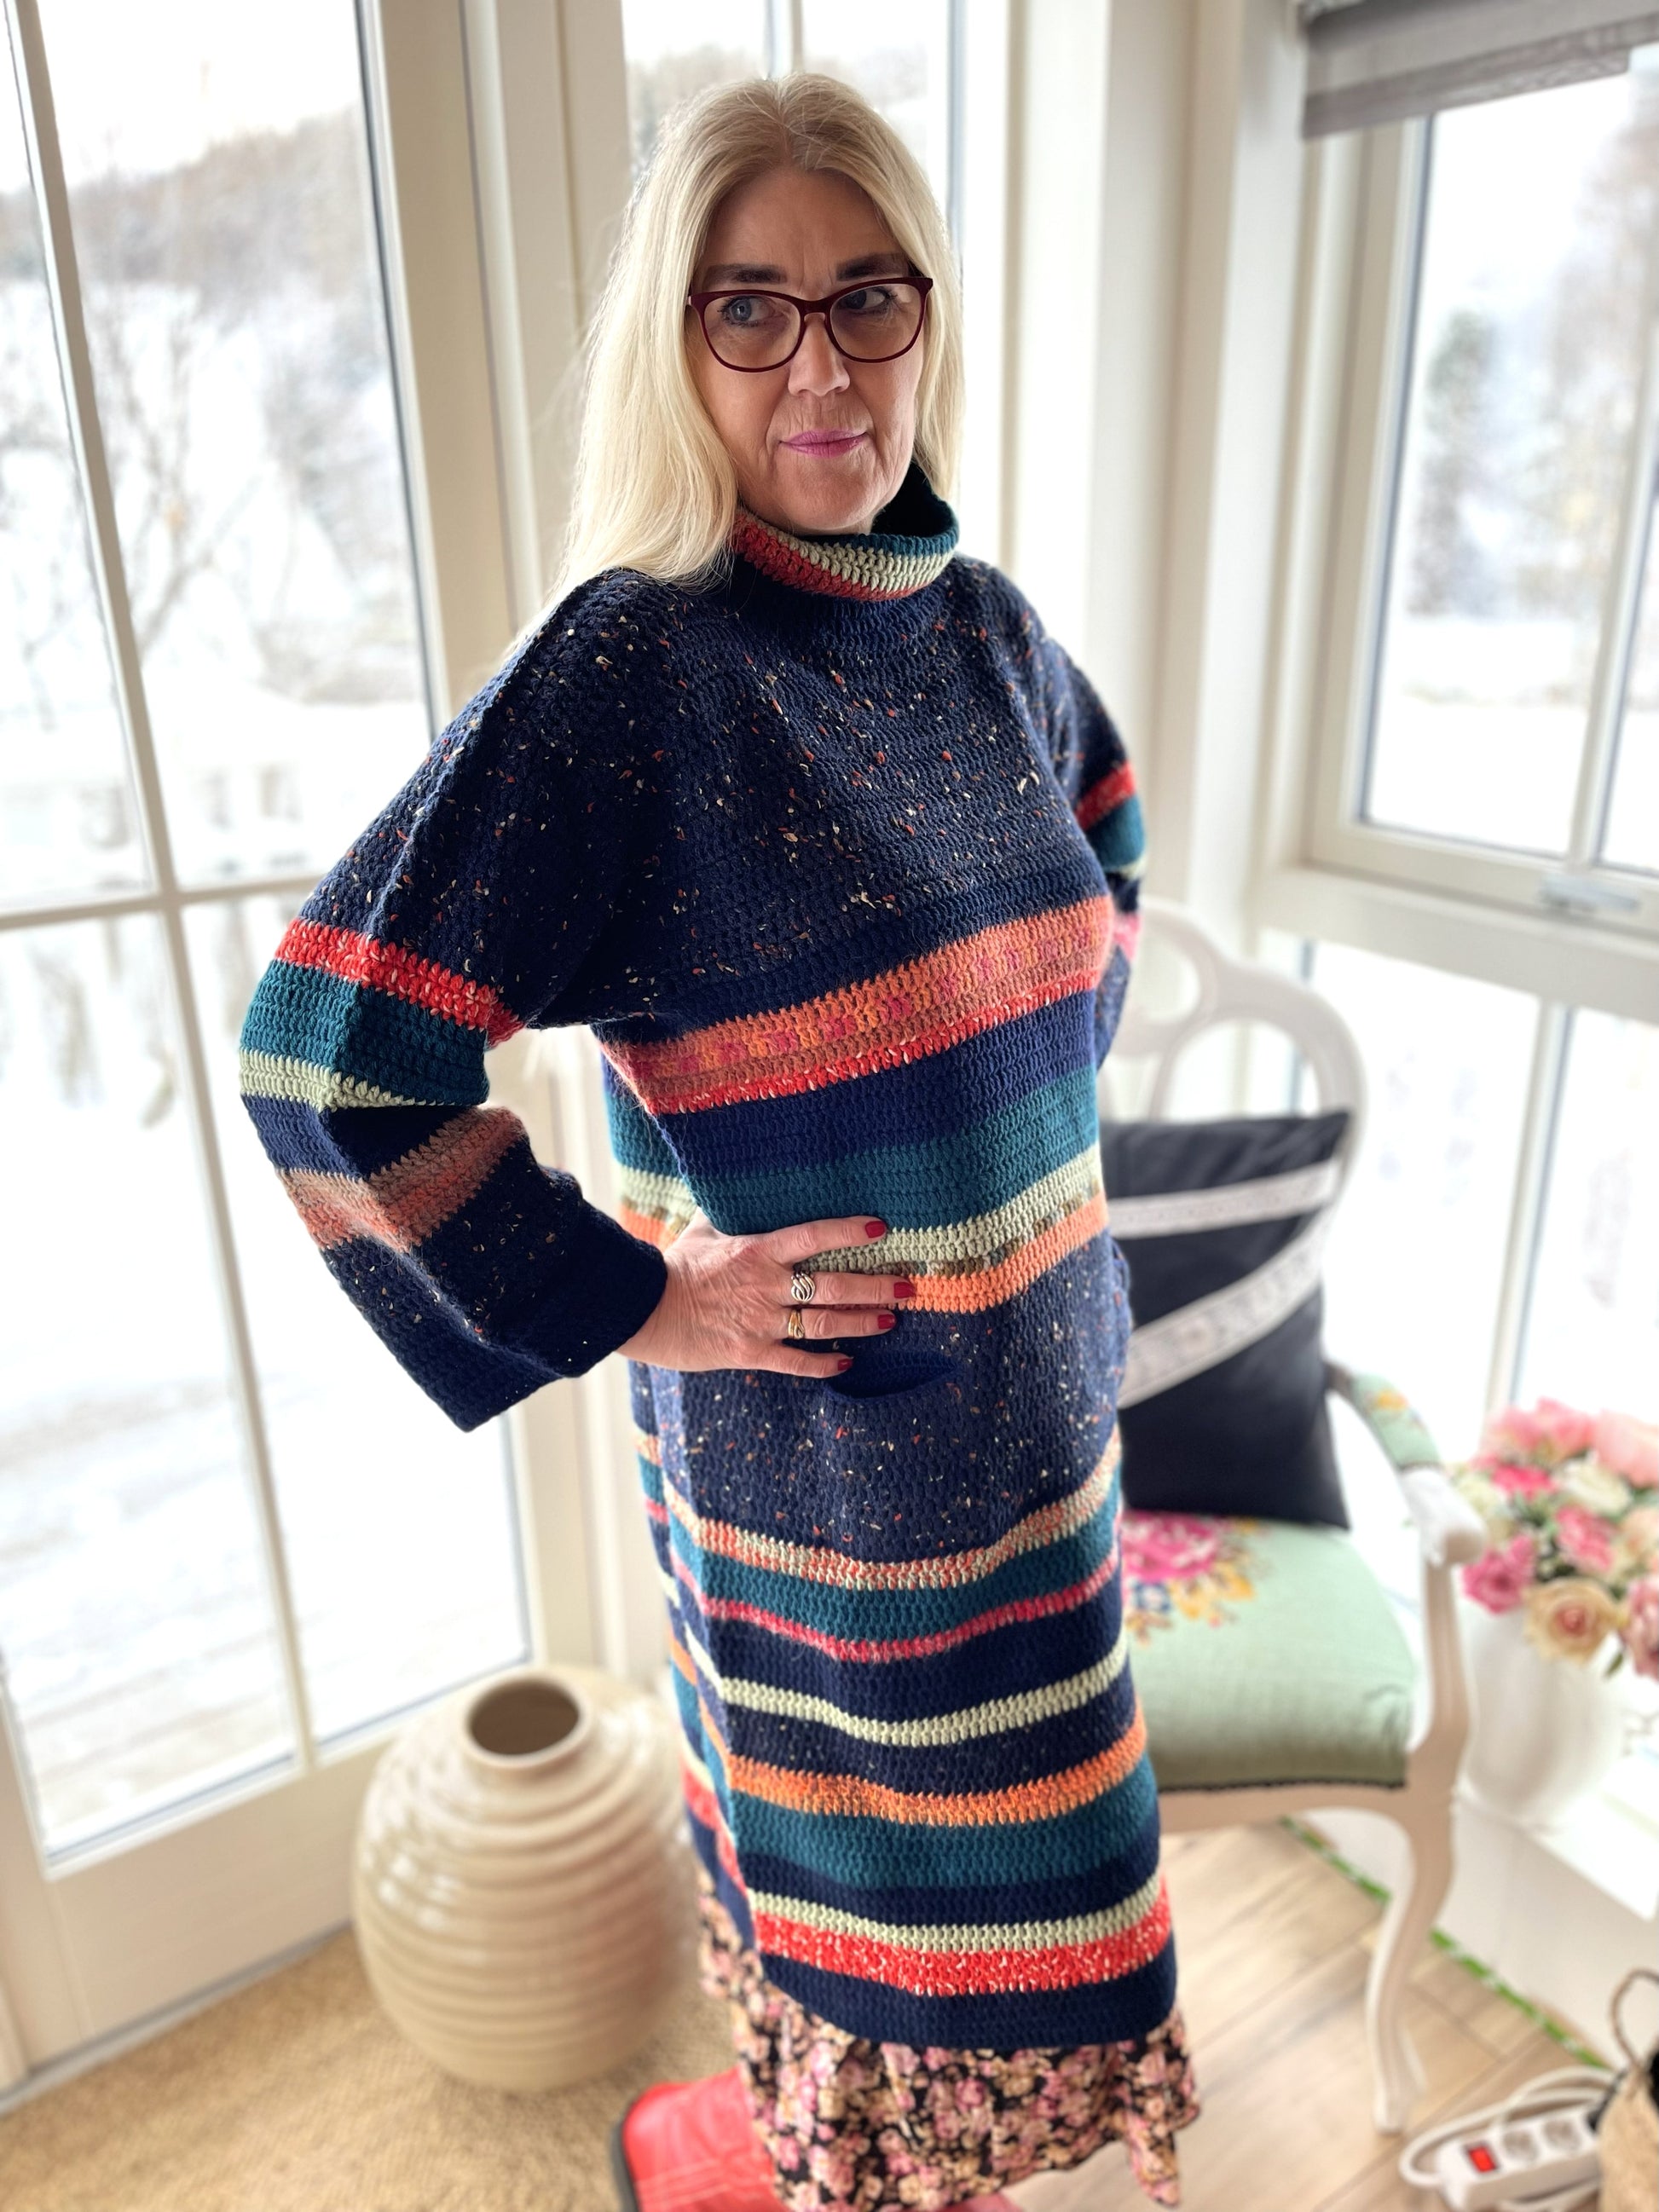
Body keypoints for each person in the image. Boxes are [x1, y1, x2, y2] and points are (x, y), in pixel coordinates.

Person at [238, 70, 1199, 2212]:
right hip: (836, 1488)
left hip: (1042, 1430)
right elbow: (330, 1056)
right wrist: (640, 1294)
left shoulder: (982, 626)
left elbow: (1105, 854)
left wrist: (1005, 1152)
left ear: (927, 316)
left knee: (1039, 1950)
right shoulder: (636, 665)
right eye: (748, 307)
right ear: (674, 342)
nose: (821, 365)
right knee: (886, 1992)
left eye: (867, 296)